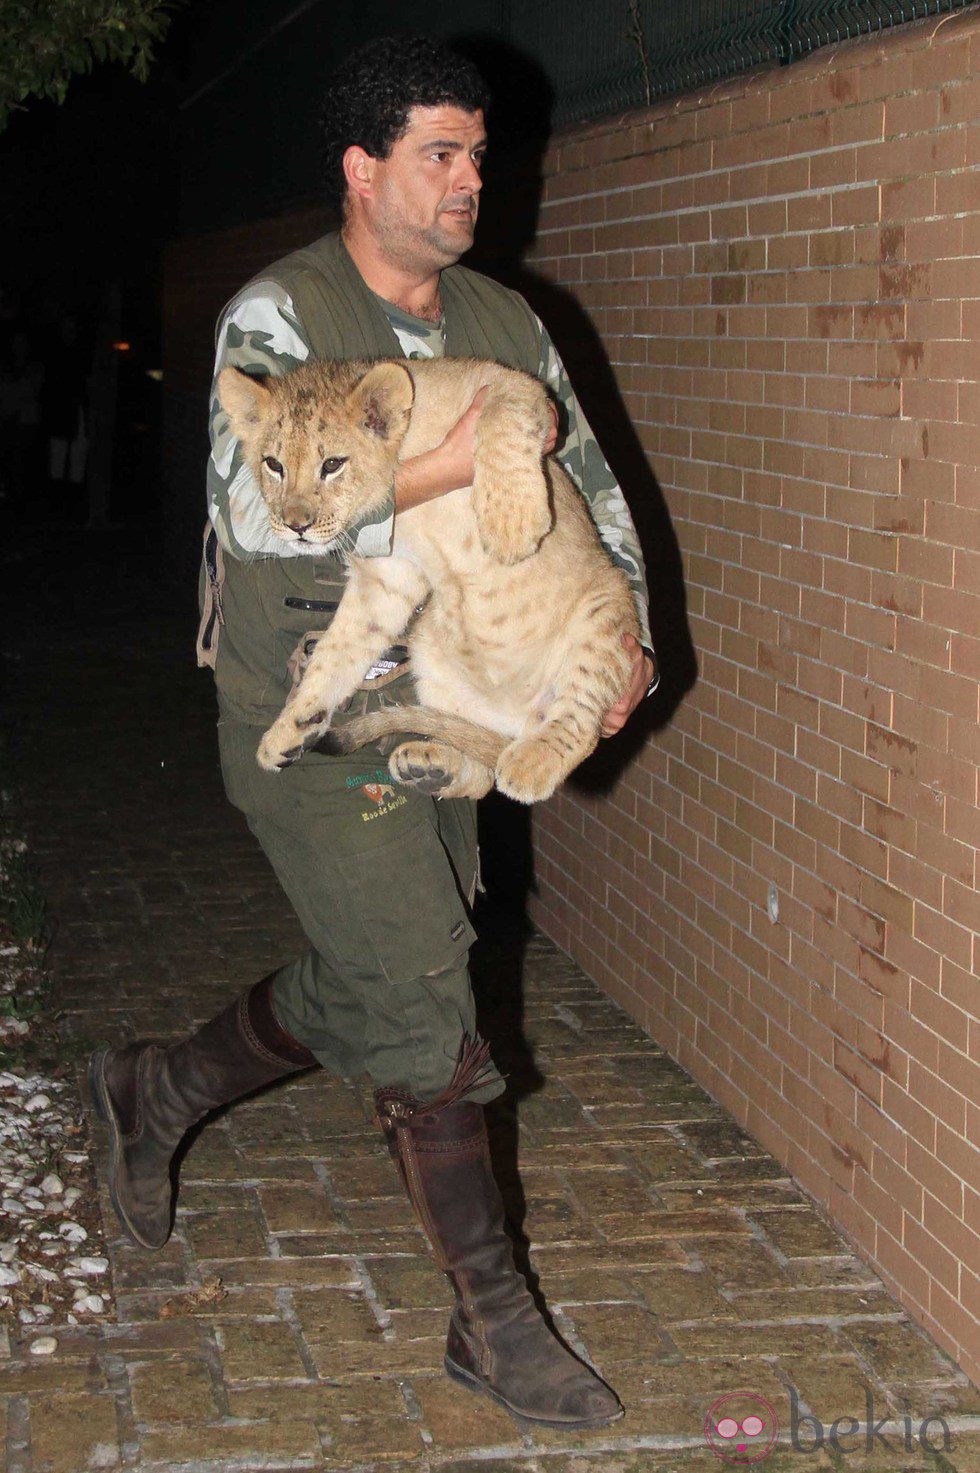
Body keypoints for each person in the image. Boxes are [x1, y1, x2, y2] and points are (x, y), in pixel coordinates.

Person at [91, 35, 657, 1429]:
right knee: (424, 1000)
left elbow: (583, 473)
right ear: (364, 169)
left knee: (385, 969)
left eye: (480, 155)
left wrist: (630, 625)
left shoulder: (507, 322)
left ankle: (156, 1089)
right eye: (442, 156)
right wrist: (468, 450)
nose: (474, 180)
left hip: (448, 693)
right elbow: (252, 510)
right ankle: (493, 1320)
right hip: (313, 703)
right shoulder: (279, 318)